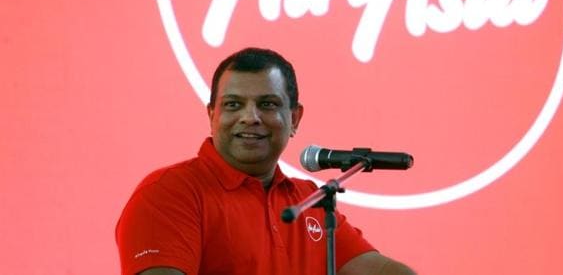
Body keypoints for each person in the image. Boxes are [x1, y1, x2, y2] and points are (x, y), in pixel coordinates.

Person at [116, 47, 417, 275]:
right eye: (233, 105)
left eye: (267, 104)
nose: (250, 117)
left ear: (294, 118)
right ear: (212, 115)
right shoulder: (169, 193)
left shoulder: (309, 200)